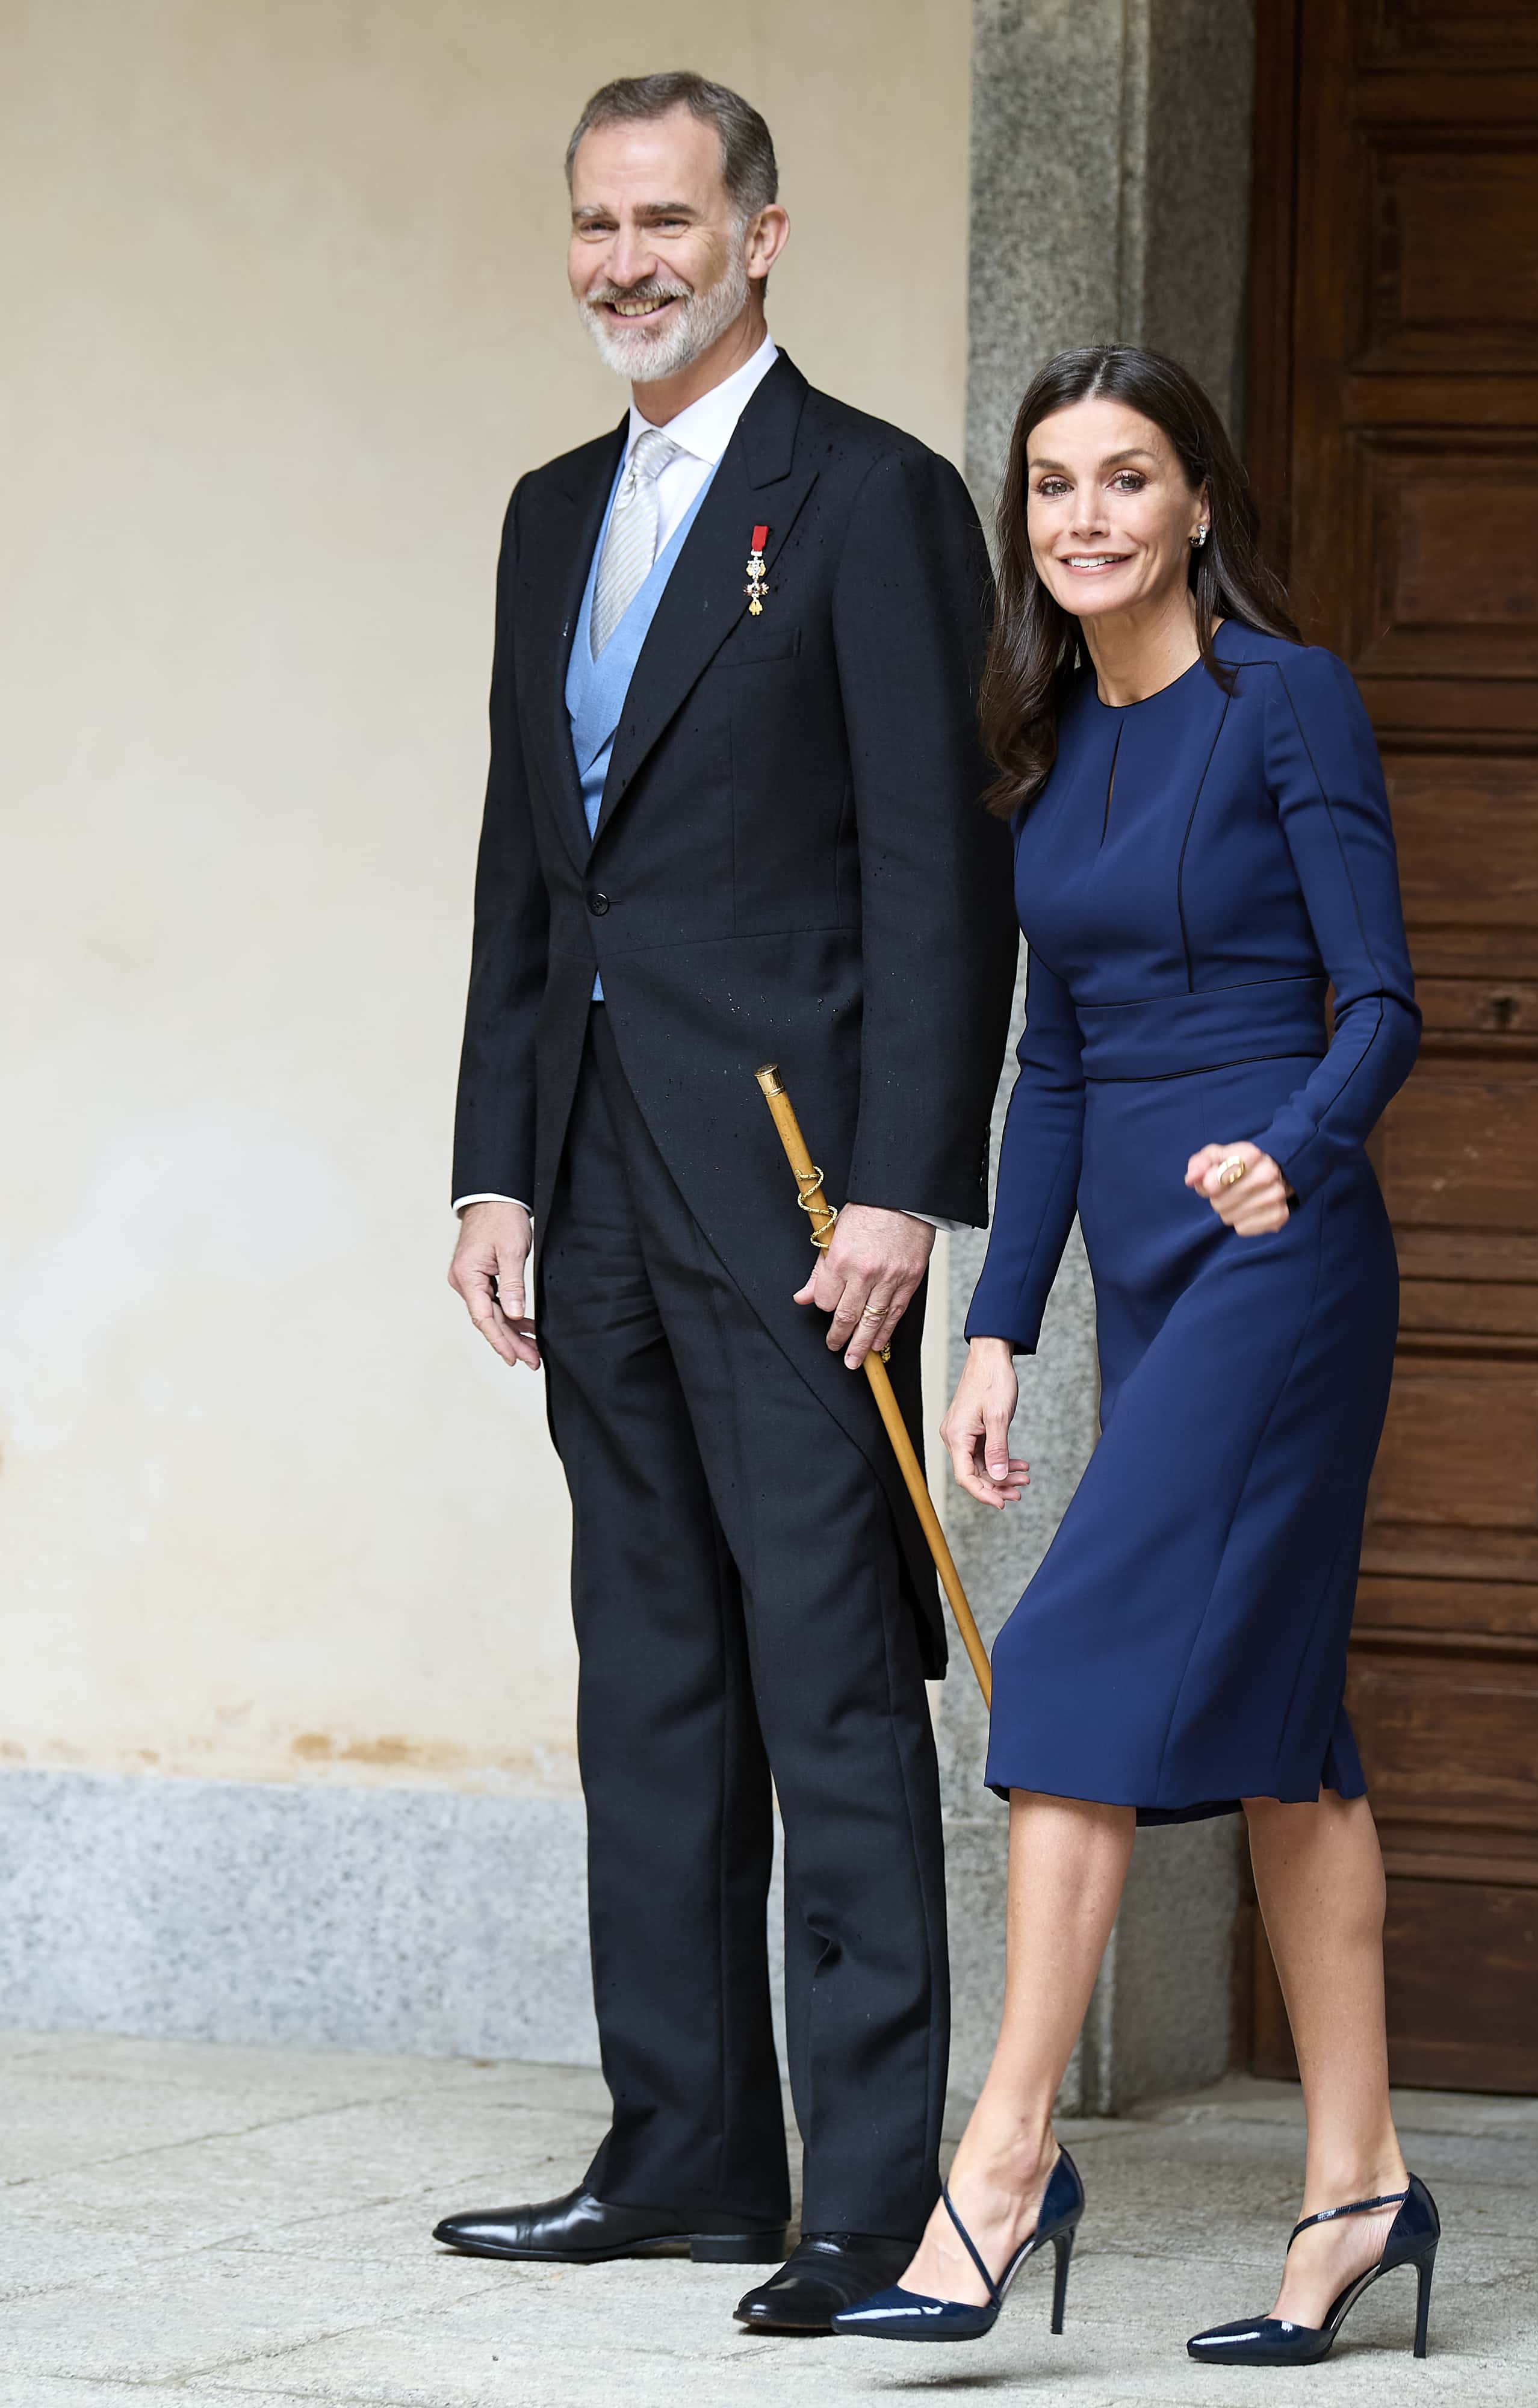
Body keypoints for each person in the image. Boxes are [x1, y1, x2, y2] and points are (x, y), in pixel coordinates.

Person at [433, 72, 1017, 2336]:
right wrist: (491, 1161)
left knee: (827, 1687)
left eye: (666, 220)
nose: (625, 262)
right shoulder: (541, 513)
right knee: (652, 1680)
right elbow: (528, 870)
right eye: (596, 223)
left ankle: (865, 2198)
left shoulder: (869, 501)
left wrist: (902, 1194)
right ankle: (681, 2152)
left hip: (794, 1196)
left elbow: (938, 872)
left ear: (759, 236)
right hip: (586, 1181)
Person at [834, 346, 1441, 2367]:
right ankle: (1358, 2188)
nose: (1082, 517)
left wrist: (1294, 1149)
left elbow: (1380, 999)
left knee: (1076, 1655)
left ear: (1194, 506)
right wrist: (997, 1323)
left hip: (1281, 1254)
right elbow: (1059, 1060)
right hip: (1147, 1271)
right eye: (1049, 484)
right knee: (1288, 1741)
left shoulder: (1285, 700)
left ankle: (1003, 2164)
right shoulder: (1050, 741)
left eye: (1124, 478)